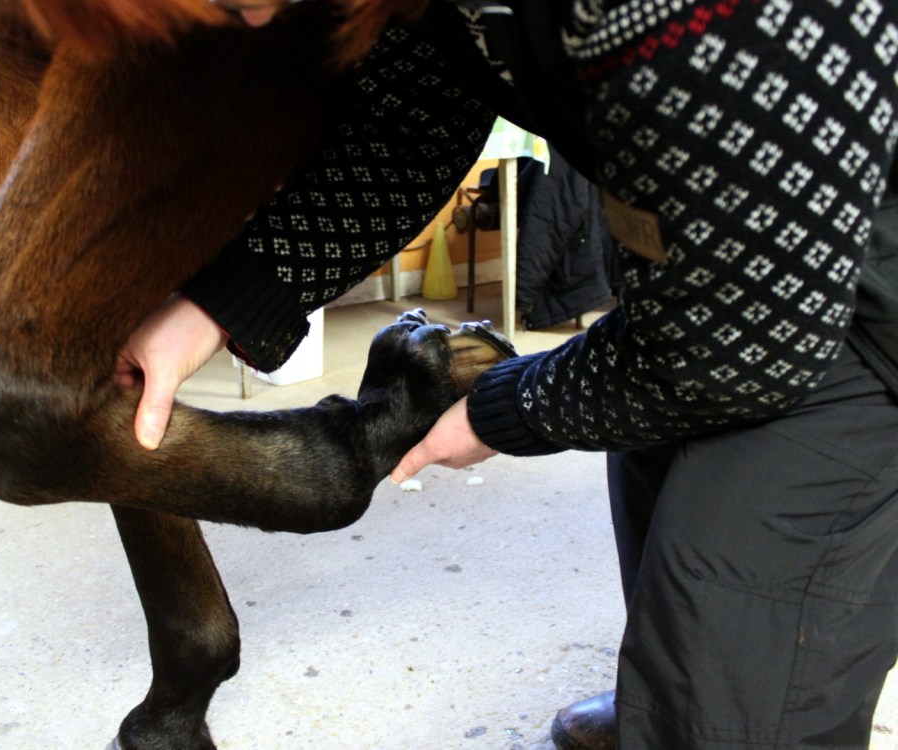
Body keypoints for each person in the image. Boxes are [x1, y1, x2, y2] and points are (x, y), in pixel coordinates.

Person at [115, 1, 898, 747]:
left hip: (858, 316)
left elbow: (742, 341)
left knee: (727, 618)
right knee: (654, 487)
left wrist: (508, 410)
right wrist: (215, 308)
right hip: (720, 263)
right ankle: (660, 696)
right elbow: (414, 120)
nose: (250, 20)